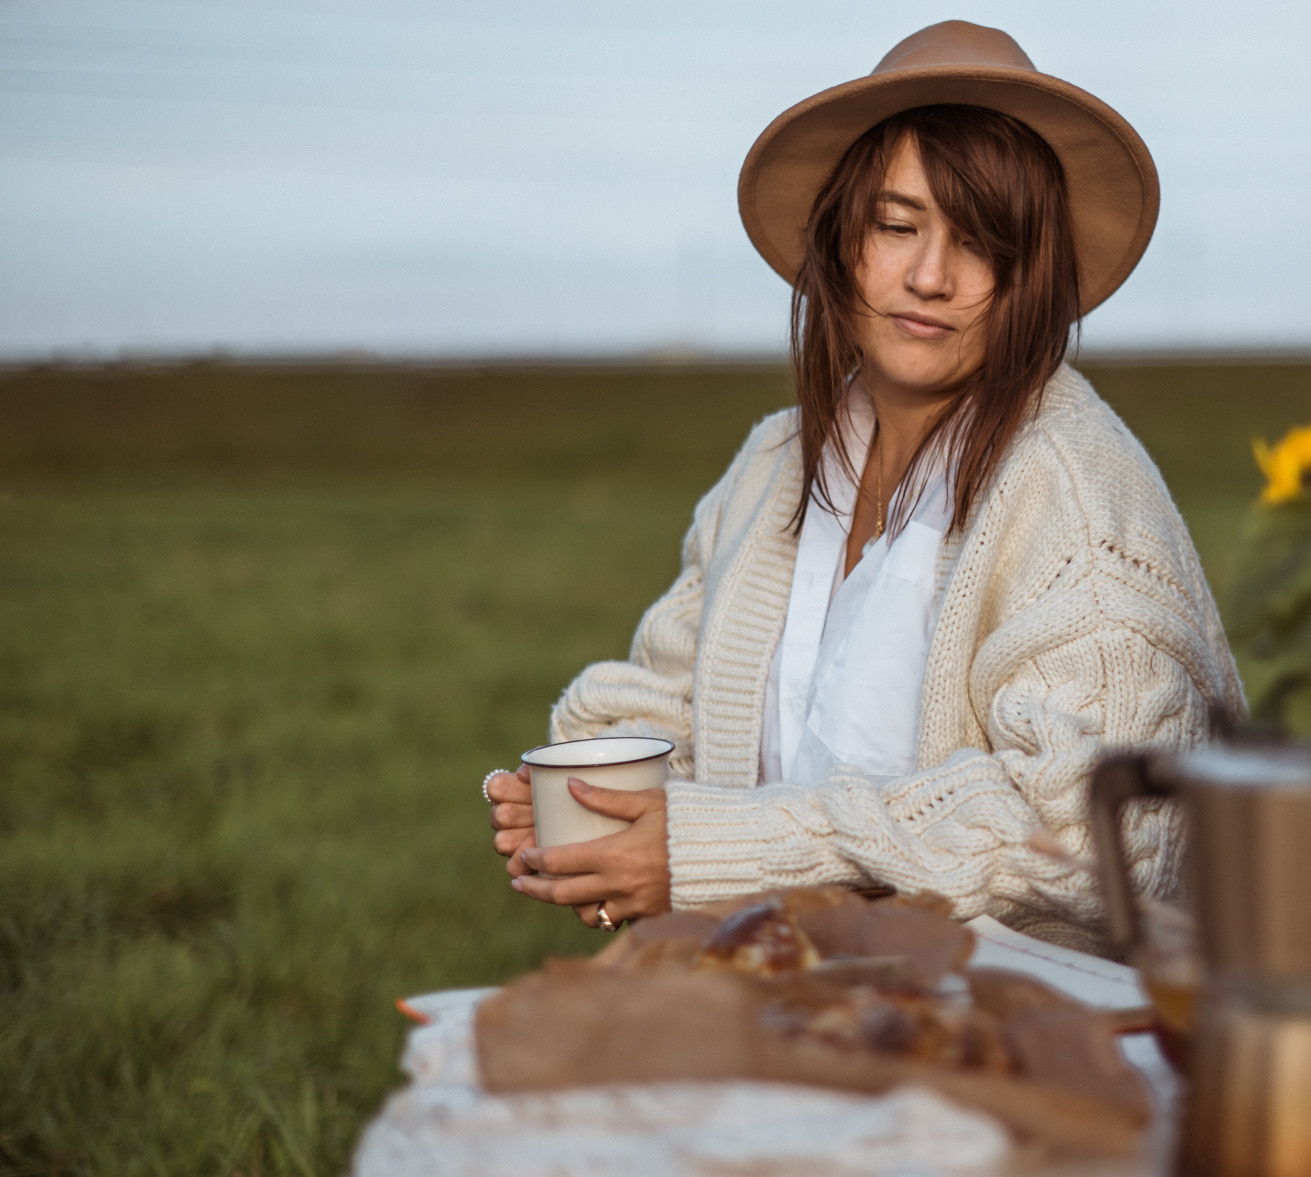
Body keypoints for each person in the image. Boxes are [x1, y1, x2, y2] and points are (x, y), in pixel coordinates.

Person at [485, 20, 1241, 956]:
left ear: (1031, 278)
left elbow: (1098, 831)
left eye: (981, 243)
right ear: (843, 240)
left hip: (1039, 1034)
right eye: (897, 225)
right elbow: (669, 700)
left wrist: (724, 850)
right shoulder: (773, 465)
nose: (930, 276)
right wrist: (596, 807)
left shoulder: (1079, 495)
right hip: (798, 1003)